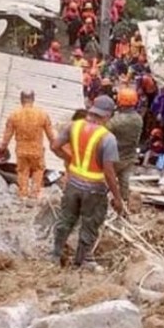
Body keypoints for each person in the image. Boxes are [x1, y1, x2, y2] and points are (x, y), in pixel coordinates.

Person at [50, 95, 124, 271]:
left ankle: (55, 254)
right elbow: (109, 172)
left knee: (65, 219)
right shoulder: (108, 138)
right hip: (95, 189)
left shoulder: (73, 127)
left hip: (73, 184)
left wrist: (69, 158)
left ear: (92, 109)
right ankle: (83, 261)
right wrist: (118, 198)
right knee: (90, 223)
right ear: (107, 116)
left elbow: (54, 146)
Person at [0, 91, 56, 201]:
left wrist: (2, 148)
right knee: (38, 170)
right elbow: (51, 135)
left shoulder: (14, 115)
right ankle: (35, 193)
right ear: (33, 99)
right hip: (37, 150)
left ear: (21, 99)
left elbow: (7, 136)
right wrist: (55, 146)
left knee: (22, 171)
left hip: (21, 151)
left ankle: (23, 194)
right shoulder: (42, 114)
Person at [108, 88, 143, 210]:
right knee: (124, 184)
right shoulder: (138, 119)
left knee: (105, 181)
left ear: (119, 101)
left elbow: (103, 133)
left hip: (114, 158)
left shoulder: (116, 121)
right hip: (130, 156)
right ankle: (124, 208)